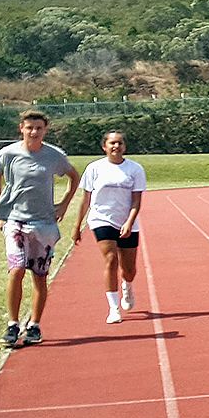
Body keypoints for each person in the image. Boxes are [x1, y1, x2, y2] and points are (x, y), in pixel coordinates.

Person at [0, 110, 79, 347]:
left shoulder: (54, 156)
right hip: (15, 221)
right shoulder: (8, 154)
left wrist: (64, 204)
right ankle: (12, 324)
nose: (34, 132)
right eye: (29, 127)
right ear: (21, 128)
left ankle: (35, 325)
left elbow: (73, 176)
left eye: (39, 128)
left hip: (44, 223)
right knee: (16, 270)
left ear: (45, 130)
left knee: (39, 276)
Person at [71, 130, 147, 324]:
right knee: (111, 259)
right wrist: (77, 225)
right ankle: (113, 309)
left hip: (127, 221)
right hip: (101, 220)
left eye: (120, 143)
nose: (116, 146)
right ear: (104, 146)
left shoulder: (135, 169)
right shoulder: (94, 168)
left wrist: (129, 222)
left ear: (125, 146)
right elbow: (85, 199)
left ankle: (127, 286)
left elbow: (136, 201)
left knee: (129, 269)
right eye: (112, 143)